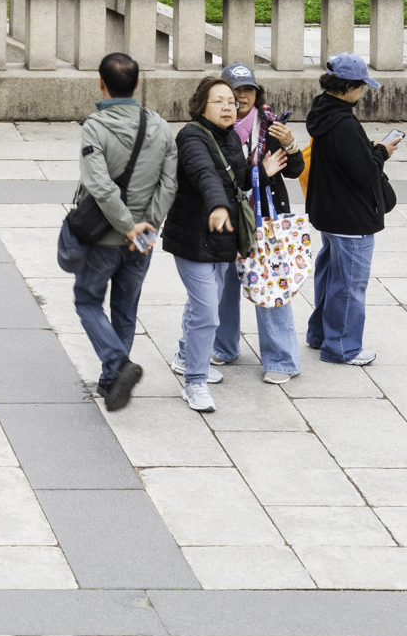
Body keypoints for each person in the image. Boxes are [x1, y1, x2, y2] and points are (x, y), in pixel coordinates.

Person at [72, 54, 176, 412]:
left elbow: (99, 186)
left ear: (101, 84)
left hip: (105, 238)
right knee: (125, 309)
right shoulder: (161, 126)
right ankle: (111, 381)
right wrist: (146, 228)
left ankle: (116, 366)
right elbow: (169, 183)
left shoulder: (95, 127)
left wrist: (127, 227)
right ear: (136, 84)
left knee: (87, 301)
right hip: (142, 241)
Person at [162, 75, 261, 413]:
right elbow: (205, 174)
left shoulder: (231, 137)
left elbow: (235, 177)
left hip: (223, 237)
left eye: (232, 102)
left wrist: (264, 170)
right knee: (207, 312)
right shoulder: (191, 137)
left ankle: (184, 356)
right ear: (201, 106)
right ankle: (195, 382)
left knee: (203, 305)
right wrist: (218, 205)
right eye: (219, 101)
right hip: (193, 237)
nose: (228, 106)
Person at [211, 62, 305, 384]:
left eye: (248, 90)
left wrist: (291, 144)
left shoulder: (270, 126)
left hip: (263, 220)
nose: (241, 98)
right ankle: (223, 347)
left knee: (270, 284)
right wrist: (258, 172)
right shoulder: (211, 129)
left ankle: (281, 359)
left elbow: (292, 170)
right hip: (225, 217)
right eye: (235, 92)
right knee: (223, 288)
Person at [304, 53, 395, 364]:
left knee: (329, 275)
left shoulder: (321, 110)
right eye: (360, 87)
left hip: (327, 213)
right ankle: (342, 347)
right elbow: (365, 174)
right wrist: (381, 151)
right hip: (350, 217)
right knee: (350, 285)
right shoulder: (344, 123)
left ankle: (319, 335)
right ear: (347, 87)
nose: (362, 93)